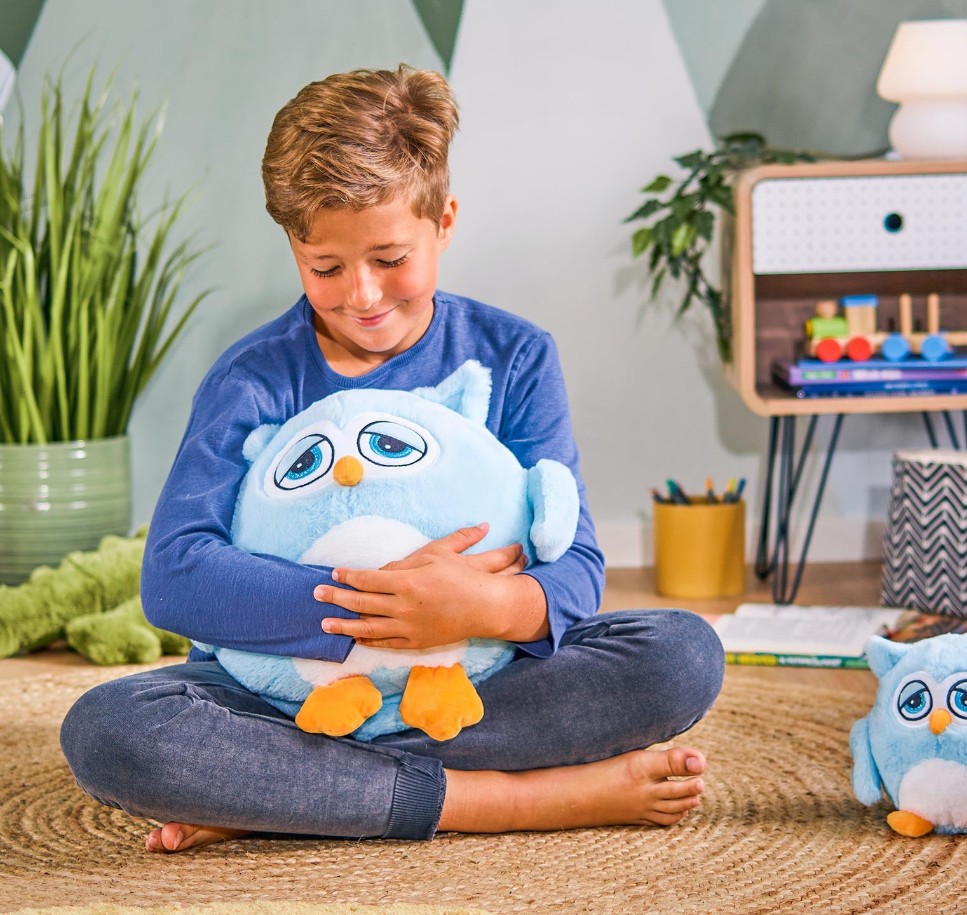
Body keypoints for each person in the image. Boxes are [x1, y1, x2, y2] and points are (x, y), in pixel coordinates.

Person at [59, 64, 725, 853]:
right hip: (287, 692)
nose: (363, 295)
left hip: (469, 676)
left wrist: (475, 609)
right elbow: (175, 577)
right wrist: (384, 612)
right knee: (111, 730)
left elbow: (574, 568)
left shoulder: (514, 356)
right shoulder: (252, 378)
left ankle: (292, 792)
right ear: (294, 246)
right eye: (326, 268)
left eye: (390, 258)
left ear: (444, 222)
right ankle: (502, 799)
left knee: (680, 655)